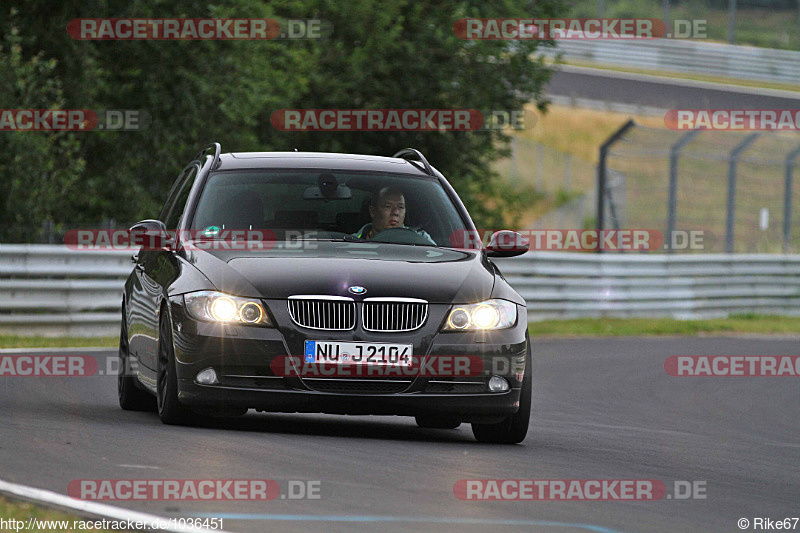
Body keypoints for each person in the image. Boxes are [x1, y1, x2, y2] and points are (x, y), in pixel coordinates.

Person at [352, 185, 436, 245]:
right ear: (373, 212)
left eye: (400, 207)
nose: (395, 212)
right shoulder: (352, 242)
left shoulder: (421, 240)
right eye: (388, 206)